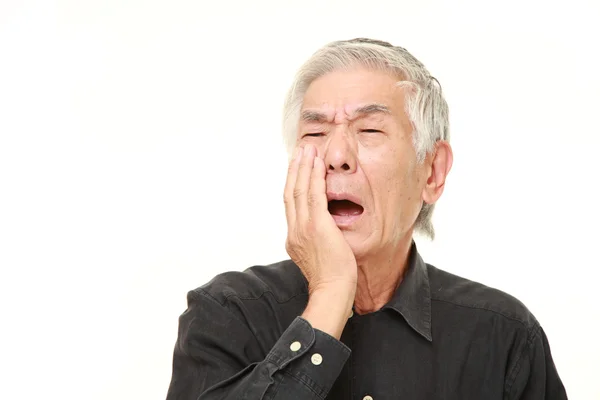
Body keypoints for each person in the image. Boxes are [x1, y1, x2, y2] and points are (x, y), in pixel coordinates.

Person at [165, 38, 567, 399]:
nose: (336, 155)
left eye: (370, 129)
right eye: (315, 134)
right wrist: (330, 292)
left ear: (432, 172)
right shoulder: (226, 314)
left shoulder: (503, 336)